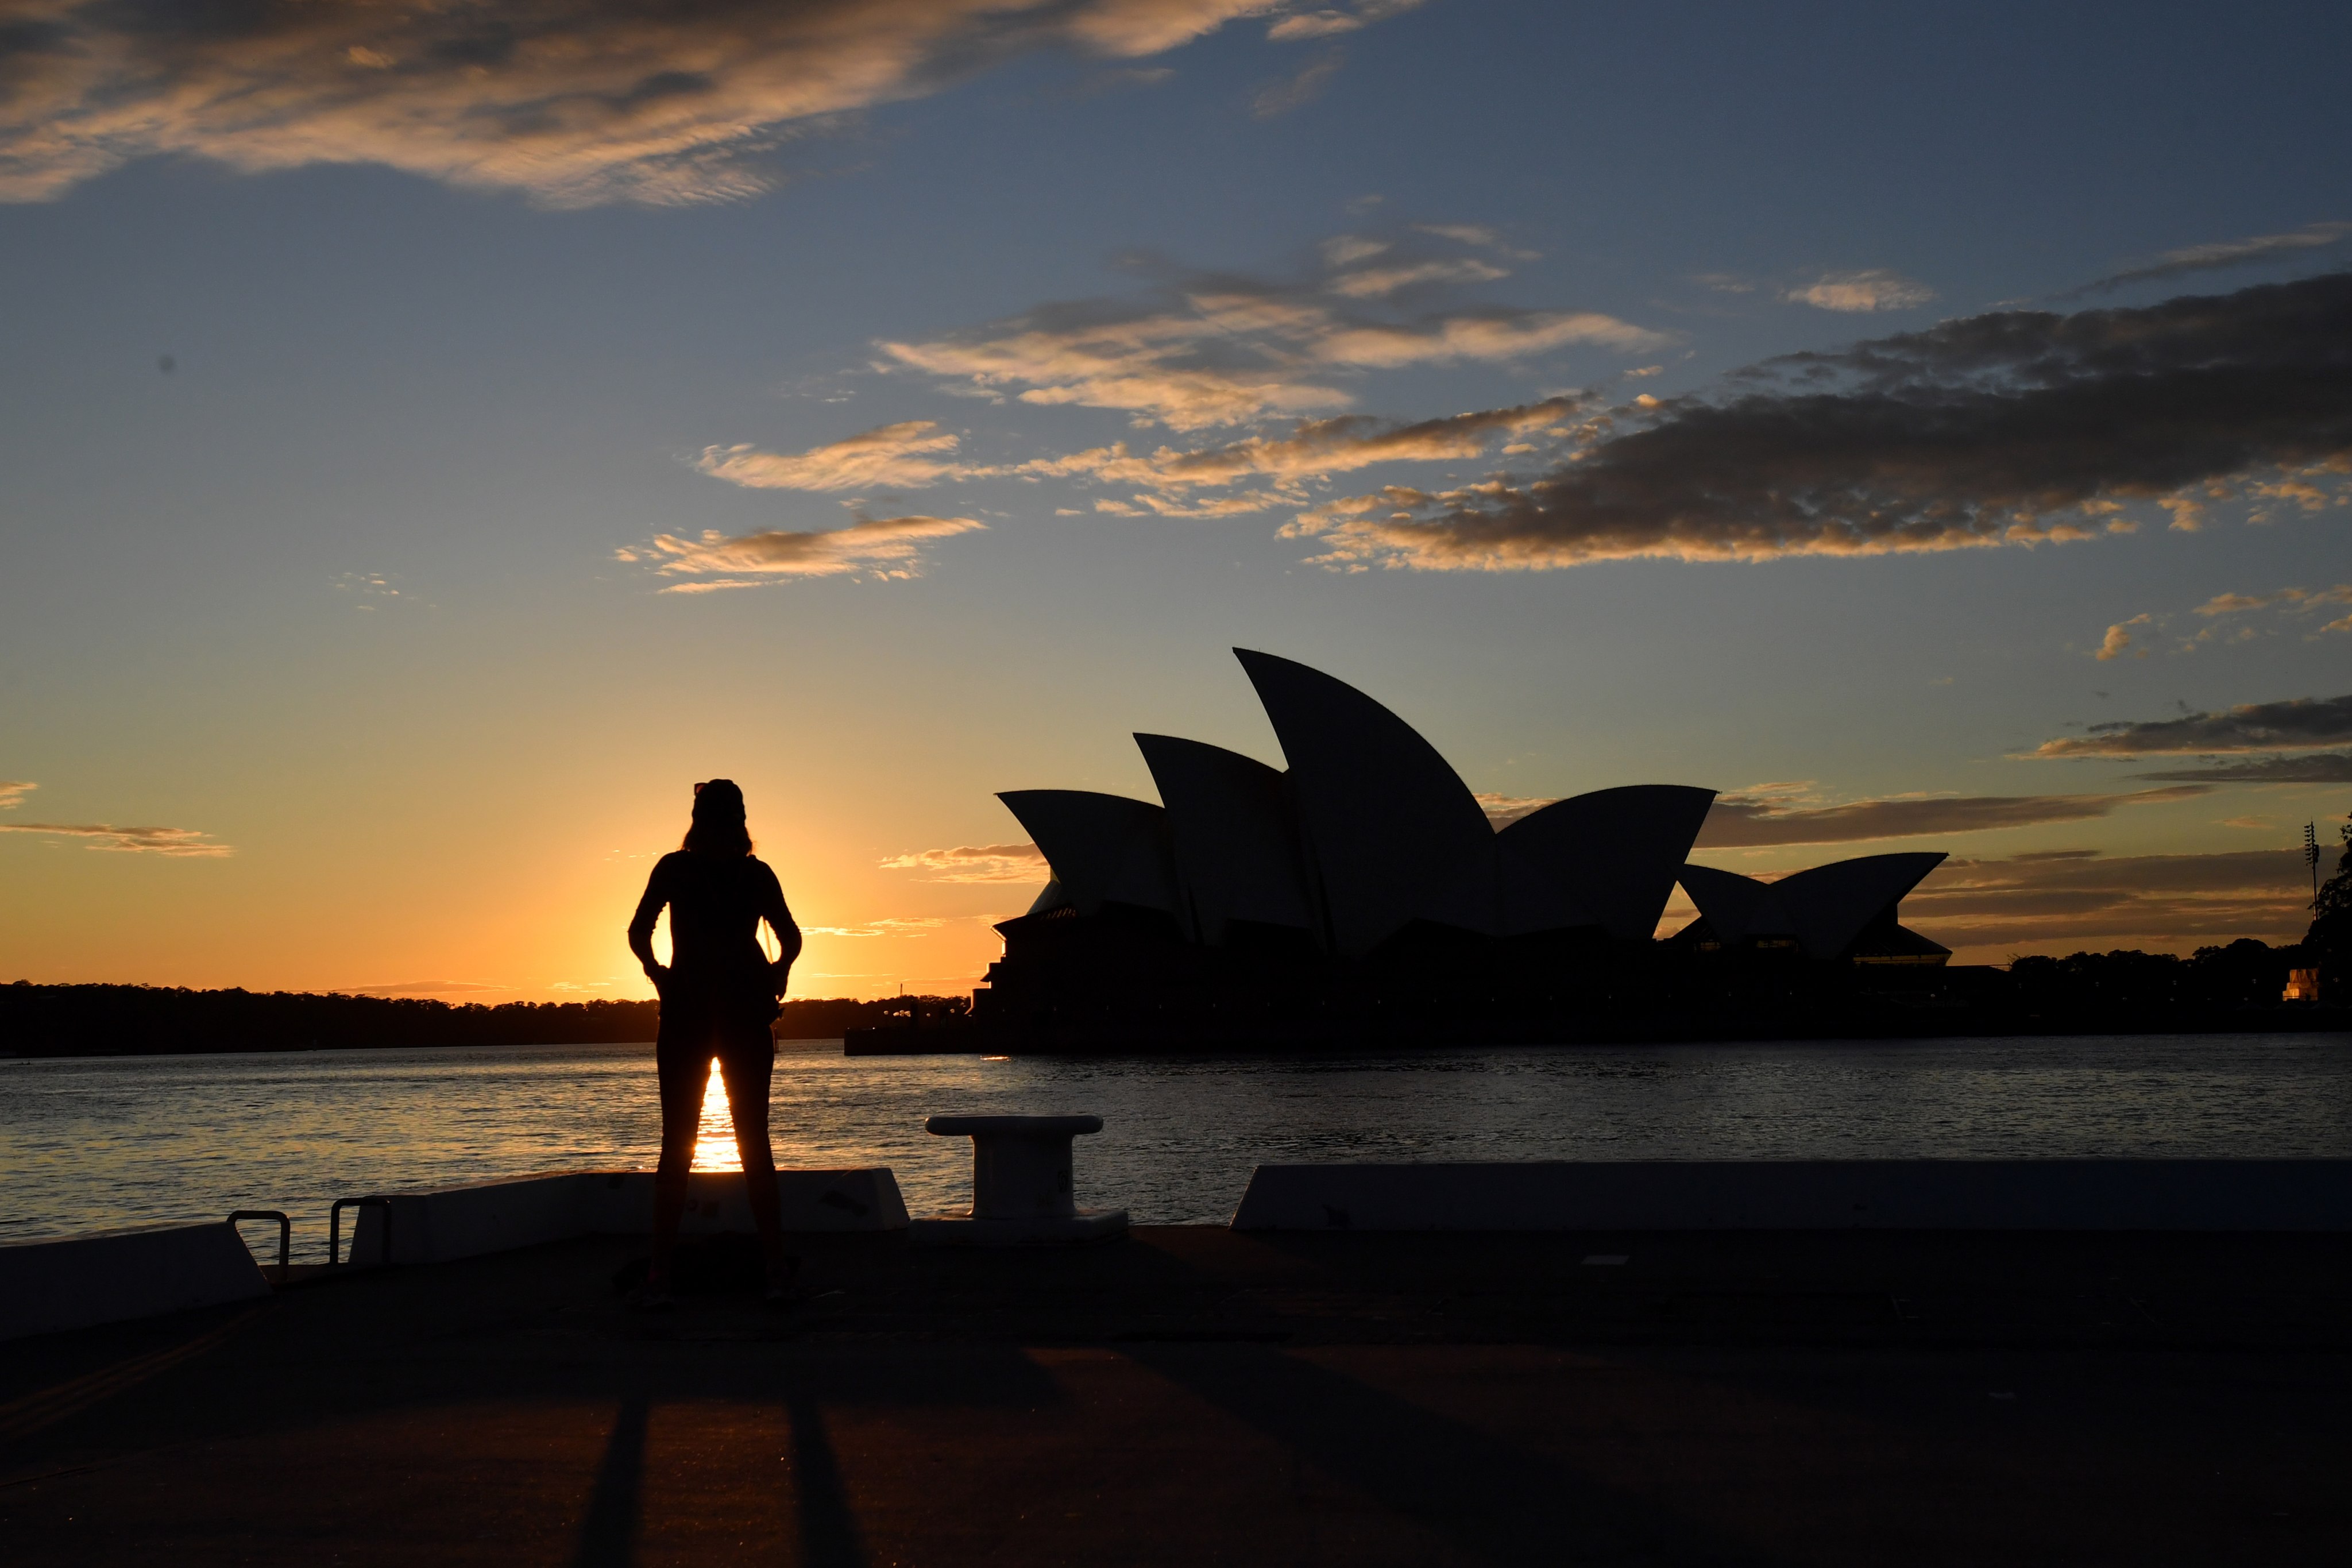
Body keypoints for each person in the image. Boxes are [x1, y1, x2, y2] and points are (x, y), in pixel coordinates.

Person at [625, 778, 801, 1307]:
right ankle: (772, 1270)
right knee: (756, 1144)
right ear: (741, 820)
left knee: (675, 1144)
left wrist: (658, 973)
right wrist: (778, 974)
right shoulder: (756, 874)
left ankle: (660, 1274)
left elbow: (638, 931)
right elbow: (790, 937)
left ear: (697, 819)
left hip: (686, 1014)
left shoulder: (674, 868)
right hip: (747, 1013)